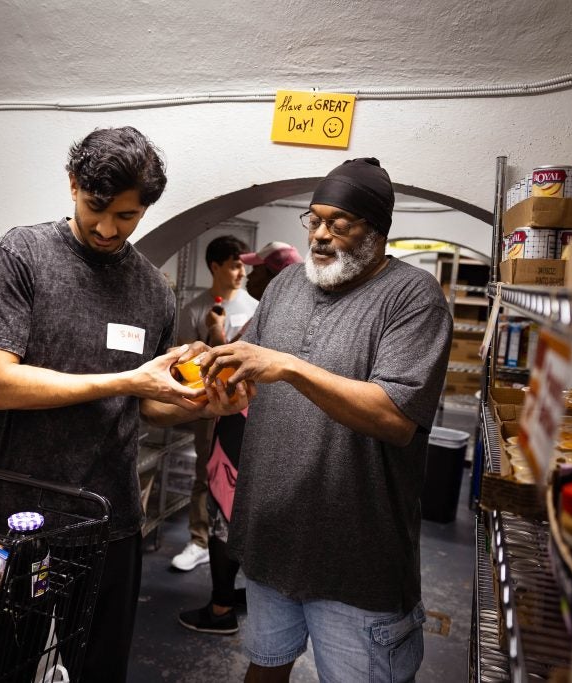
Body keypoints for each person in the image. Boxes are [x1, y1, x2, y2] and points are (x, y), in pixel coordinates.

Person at [0, 126, 250, 683]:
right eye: (96, 208)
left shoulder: (151, 289)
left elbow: (150, 404)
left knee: (100, 670)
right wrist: (124, 381)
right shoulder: (23, 256)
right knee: (6, 668)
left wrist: (202, 403)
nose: (109, 228)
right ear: (72, 184)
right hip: (21, 514)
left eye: (128, 216)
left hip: (108, 517)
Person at [201, 158, 453, 683]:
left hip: (356, 559)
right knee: (265, 667)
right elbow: (247, 365)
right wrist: (213, 374)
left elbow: (396, 416)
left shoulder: (412, 297)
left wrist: (290, 367)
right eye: (313, 220)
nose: (320, 234)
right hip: (272, 540)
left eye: (339, 223)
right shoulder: (289, 285)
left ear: (377, 230)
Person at [177, 241, 303, 635]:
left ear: (275, 276)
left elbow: (229, 373)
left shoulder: (270, 315)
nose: (249, 275)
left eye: (258, 269)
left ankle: (220, 609)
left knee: (223, 517)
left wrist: (215, 337)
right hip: (266, 433)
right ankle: (244, 594)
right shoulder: (297, 315)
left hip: (241, 431)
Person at [170, 235, 259, 572]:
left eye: (245, 266)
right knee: (206, 472)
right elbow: (180, 364)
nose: (242, 272)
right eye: (235, 265)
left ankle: (235, 546)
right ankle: (199, 540)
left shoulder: (256, 309)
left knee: (244, 478)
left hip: (249, 410)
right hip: (209, 407)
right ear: (215, 266)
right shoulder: (194, 309)